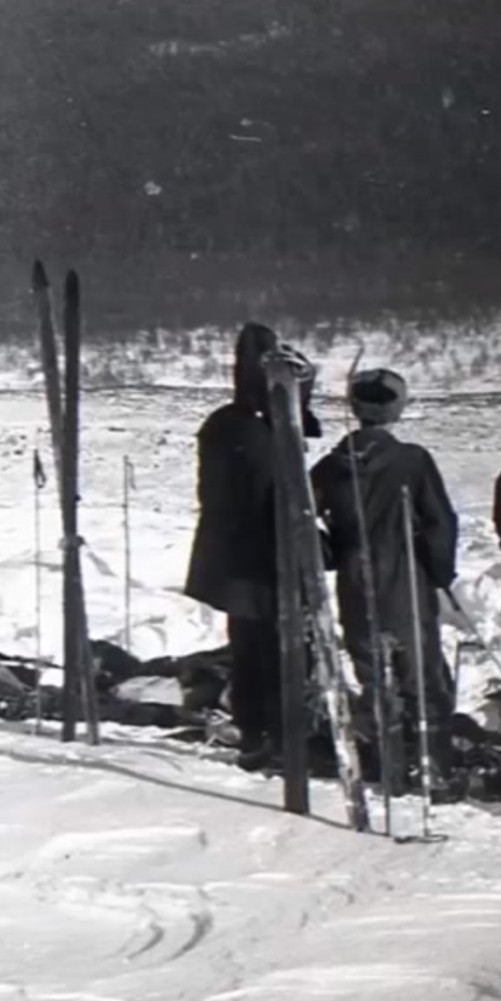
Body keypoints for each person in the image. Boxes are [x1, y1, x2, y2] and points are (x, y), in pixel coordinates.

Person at [311, 368, 459, 794]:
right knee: (422, 677)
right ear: (396, 409)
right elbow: (440, 523)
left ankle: (388, 766)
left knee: (375, 677)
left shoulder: (330, 467)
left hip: (357, 589)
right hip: (405, 583)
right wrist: (439, 572)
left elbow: (303, 524)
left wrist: (334, 551)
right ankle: (431, 767)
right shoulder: (413, 460)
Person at [184, 322, 322, 772]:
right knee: (273, 650)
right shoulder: (255, 433)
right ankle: (277, 738)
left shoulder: (230, 424)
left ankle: (260, 733)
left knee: (251, 647)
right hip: (261, 561)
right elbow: (278, 500)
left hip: (237, 562)